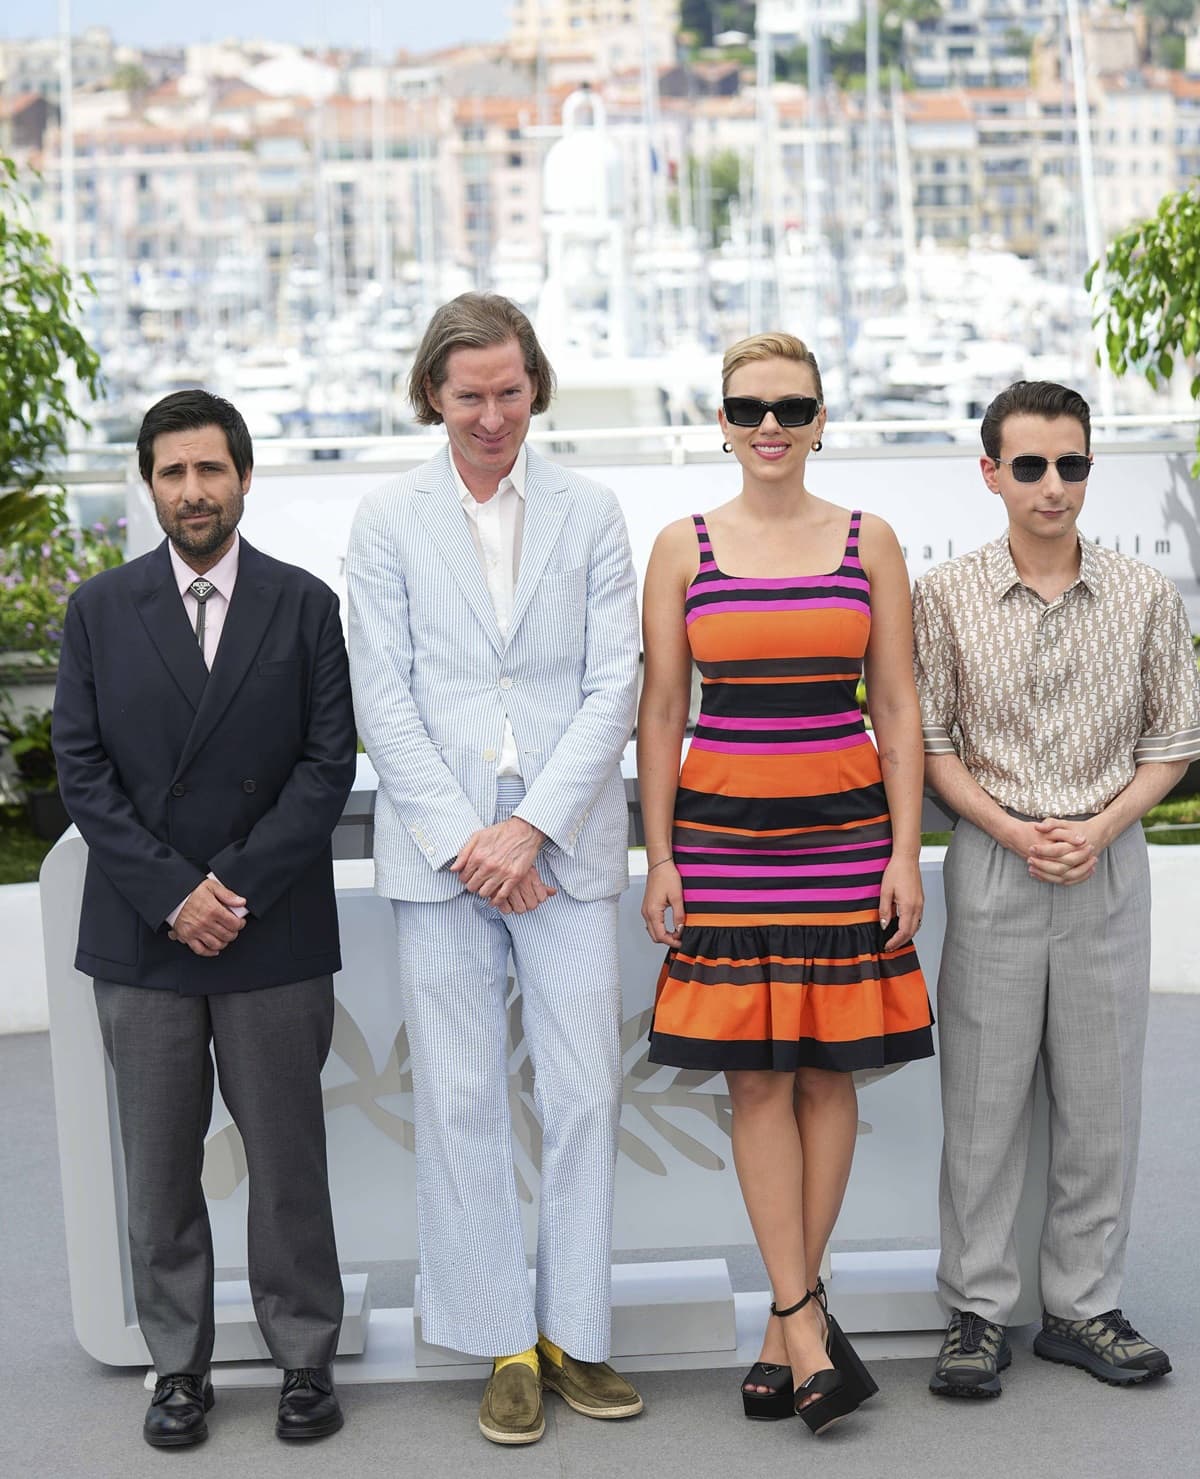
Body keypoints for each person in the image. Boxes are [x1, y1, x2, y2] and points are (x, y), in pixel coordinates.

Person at [346, 293, 643, 1446]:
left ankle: (574, 1333)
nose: (491, 416)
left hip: (561, 841)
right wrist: (472, 836)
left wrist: (537, 828)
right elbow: (384, 690)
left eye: (509, 391)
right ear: (434, 394)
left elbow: (615, 681)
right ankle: (501, 1343)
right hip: (444, 851)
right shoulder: (386, 518)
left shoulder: (592, 510)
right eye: (468, 394)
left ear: (536, 385)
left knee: (582, 1093)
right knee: (462, 1098)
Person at [639, 332, 934, 1435]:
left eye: (792, 406)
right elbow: (662, 711)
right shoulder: (681, 546)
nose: (771, 424)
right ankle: (805, 1319)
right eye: (749, 406)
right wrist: (660, 854)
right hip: (721, 846)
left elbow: (896, 706)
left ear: (820, 420)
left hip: (847, 844)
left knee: (824, 1077)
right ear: (721, 417)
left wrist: (906, 852)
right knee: (755, 1082)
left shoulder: (872, 541)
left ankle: (785, 1326)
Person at [52, 390, 357, 1448]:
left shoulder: (306, 605)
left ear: (243, 477)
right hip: (145, 933)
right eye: (174, 474)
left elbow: (327, 770)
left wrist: (230, 886)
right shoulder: (99, 609)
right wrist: (174, 893)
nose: (193, 491)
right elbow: (81, 774)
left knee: (287, 1158)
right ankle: (176, 1368)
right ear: (150, 485)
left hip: (268, 926)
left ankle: (305, 1360)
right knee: (160, 1161)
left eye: (210, 471)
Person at [913, 379, 1200, 1398]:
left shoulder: (1144, 596)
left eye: (1070, 464)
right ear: (989, 473)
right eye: (1029, 465)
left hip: (1108, 865)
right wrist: (1010, 829)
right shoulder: (942, 596)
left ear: (1089, 469)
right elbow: (931, 744)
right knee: (983, 1104)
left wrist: (1099, 828)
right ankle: (977, 1314)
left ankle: (1084, 1309)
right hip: (993, 863)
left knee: (1101, 1102)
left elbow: (1173, 743)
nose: (1052, 485)